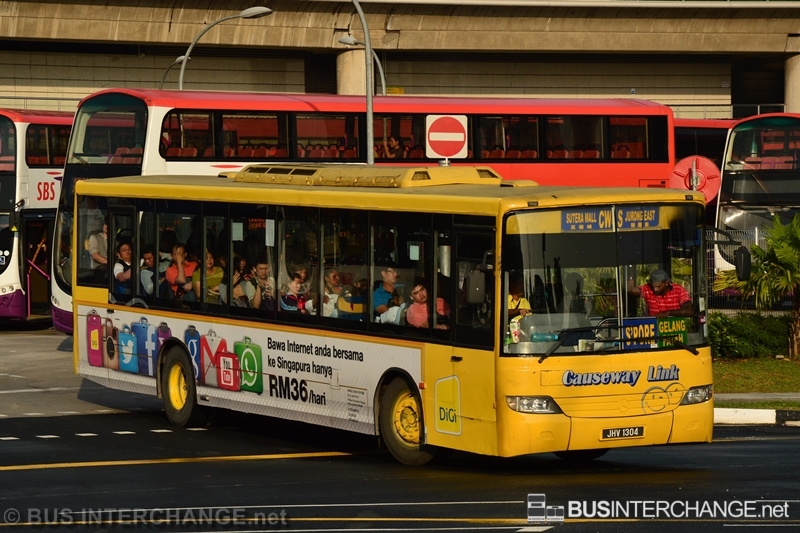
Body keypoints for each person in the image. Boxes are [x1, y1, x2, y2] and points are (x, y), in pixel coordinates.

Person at [627, 269, 693, 318]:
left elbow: (690, 311)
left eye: (658, 286)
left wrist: (668, 313)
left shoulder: (679, 290)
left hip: (675, 332)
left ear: (666, 283)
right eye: (654, 286)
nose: (655, 289)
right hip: (654, 332)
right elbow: (630, 290)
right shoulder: (648, 289)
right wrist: (630, 268)